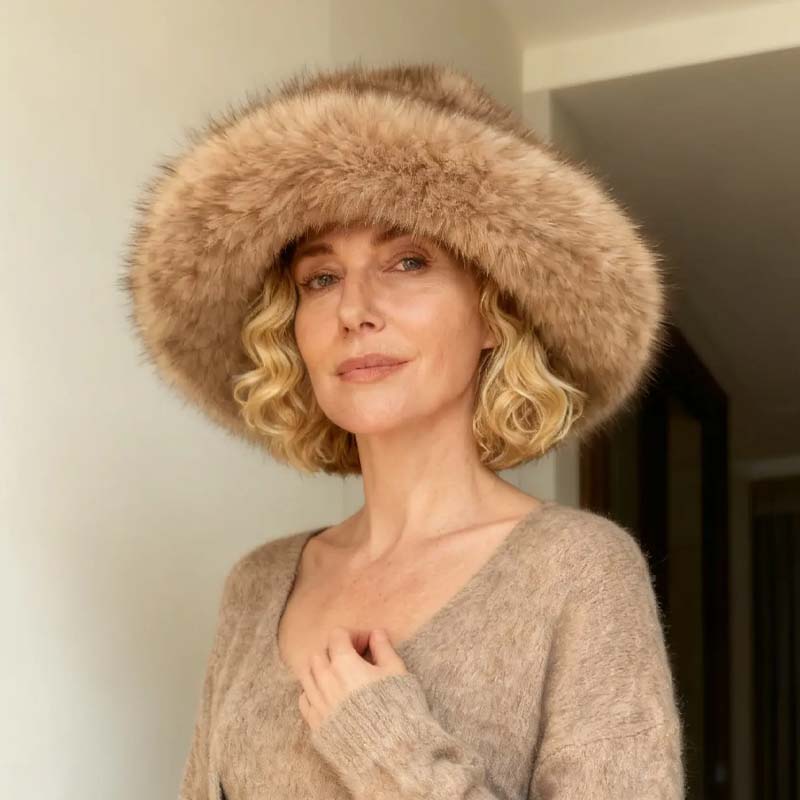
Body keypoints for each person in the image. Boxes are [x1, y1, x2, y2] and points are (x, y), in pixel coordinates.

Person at [121, 61, 684, 799]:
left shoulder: (578, 570)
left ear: (494, 313)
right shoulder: (257, 584)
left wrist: (390, 750)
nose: (355, 310)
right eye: (321, 278)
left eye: (408, 261)